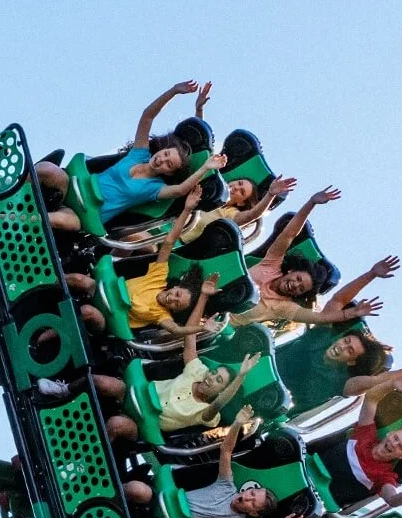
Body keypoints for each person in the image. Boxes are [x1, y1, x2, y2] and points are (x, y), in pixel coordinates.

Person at [33, 81, 229, 231]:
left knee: (51, 219)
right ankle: (11, 193)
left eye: (169, 164)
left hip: (84, 214)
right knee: (46, 169)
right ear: (162, 149)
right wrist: (174, 91)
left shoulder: (155, 188)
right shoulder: (139, 154)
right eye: (166, 154)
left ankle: (8, 221)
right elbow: (147, 116)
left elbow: (180, 190)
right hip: (76, 187)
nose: (162, 160)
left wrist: (205, 167)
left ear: (169, 173)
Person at [230, 186, 383, 325]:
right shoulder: (271, 264)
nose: (295, 285)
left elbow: (322, 318)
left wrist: (354, 309)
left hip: (219, 325)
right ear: (291, 271)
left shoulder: (284, 307)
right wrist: (311, 203)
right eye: (298, 279)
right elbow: (289, 235)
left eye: (300, 288)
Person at [66, 203, 218, 339]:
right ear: (175, 287)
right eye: (177, 294)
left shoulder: (161, 315)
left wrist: (202, 328)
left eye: (176, 304)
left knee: (87, 311)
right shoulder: (158, 278)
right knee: (79, 280)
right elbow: (169, 242)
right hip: (102, 291)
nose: (172, 299)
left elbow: (176, 330)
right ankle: (44, 283)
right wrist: (187, 209)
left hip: (105, 317)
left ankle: (46, 334)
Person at [316, 376, 402, 509]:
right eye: (396, 438)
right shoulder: (366, 434)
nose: (394, 444)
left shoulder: (384, 475)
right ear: (390, 434)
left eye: (400, 446)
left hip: (318, 498)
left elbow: (392, 500)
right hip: (306, 467)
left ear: (401, 456)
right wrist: (392, 384)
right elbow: (371, 398)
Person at [186, 411, 307, 518]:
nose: (247, 498)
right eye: (252, 493)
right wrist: (237, 423)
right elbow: (226, 450)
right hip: (166, 502)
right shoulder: (226, 484)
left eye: (253, 503)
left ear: (253, 513)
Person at [274, 320, 402, 414]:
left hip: (272, 402)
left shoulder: (340, 382)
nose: (342, 347)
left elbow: (375, 380)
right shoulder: (320, 339)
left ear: (351, 361)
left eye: (350, 350)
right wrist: (372, 274)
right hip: (256, 369)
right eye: (346, 341)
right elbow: (337, 302)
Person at [180, 175, 297, 245]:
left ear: (241, 202)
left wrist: (270, 194)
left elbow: (251, 216)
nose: (236, 187)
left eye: (242, 192)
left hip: (177, 237)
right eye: (239, 183)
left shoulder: (230, 212)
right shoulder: (209, 184)